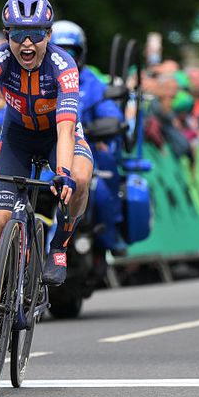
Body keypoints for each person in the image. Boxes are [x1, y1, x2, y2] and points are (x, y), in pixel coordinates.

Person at [0, 0, 93, 364]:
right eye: (18, 34)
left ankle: (60, 246)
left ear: (48, 35)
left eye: (35, 34)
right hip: (15, 138)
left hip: (55, 138)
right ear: (7, 35)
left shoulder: (63, 66)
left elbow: (66, 130)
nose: (27, 43)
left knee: (79, 178)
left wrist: (62, 173)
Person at [51, 19, 128, 255]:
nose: (65, 57)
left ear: (81, 53)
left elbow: (111, 113)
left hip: (85, 148)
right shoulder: (38, 78)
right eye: (58, 51)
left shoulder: (91, 83)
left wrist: (103, 125)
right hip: (46, 152)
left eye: (71, 51)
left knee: (104, 184)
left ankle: (109, 233)